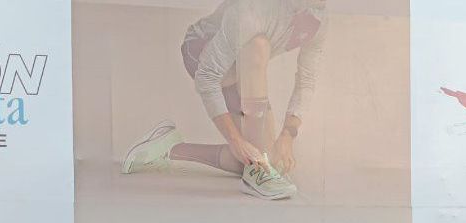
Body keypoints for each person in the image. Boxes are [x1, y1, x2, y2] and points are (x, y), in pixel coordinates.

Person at [121, 0, 328, 201]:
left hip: (241, 68)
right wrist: (235, 140)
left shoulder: (319, 20)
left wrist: (287, 135)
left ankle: (169, 147)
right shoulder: (253, 8)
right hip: (202, 54)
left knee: (267, 159)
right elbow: (207, 75)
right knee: (259, 45)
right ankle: (257, 173)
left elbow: (306, 81)